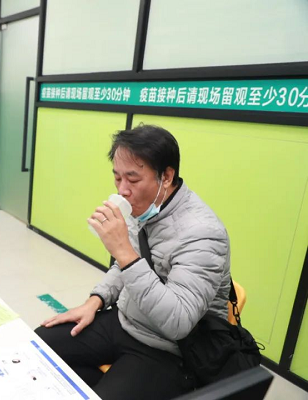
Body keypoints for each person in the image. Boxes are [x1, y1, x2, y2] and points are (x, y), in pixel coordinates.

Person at [35, 125, 231, 400]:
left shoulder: (202, 233)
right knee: (38, 346)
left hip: (170, 348)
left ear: (166, 176)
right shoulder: (141, 209)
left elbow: (178, 322)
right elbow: (123, 269)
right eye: (117, 178)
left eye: (133, 179)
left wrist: (124, 252)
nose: (122, 190)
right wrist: (95, 301)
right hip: (127, 319)